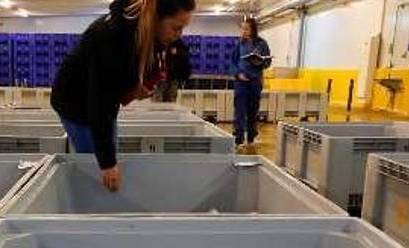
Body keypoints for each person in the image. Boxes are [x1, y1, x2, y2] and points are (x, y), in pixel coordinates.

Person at [51, 0, 196, 191]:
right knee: (96, 167)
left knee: (109, 153)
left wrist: (134, 88)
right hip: (76, 103)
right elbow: (100, 102)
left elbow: (178, 63)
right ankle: (90, 209)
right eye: (176, 28)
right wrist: (107, 163)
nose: (179, 35)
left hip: (102, 99)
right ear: (156, 18)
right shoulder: (113, 35)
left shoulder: (149, 28)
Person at [231, 17, 271, 150]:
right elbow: (232, 63)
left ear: (253, 29)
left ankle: (251, 136)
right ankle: (238, 137)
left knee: (253, 110)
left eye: (246, 29)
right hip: (241, 82)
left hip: (255, 81)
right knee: (240, 110)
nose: (243, 31)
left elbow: (267, 62)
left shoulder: (262, 44)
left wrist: (261, 62)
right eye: (242, 29)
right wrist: (238, 73)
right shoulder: (239, 44)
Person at [152, 38, 192, 102]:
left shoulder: (176, 42)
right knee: (158, 101)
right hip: (159, 78)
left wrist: (177, 52)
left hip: (171, 77)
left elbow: (185, 53)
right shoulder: (156, 42)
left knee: (170, 100)